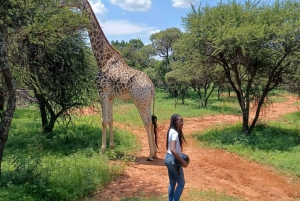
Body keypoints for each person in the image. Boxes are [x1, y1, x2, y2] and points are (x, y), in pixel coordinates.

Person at [164, 114, 188, 201]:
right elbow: (173, 149)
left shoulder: (171, 130)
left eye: (183, 121)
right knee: (181, 183)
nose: (182, 123)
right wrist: (182, 162)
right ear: (175, 122)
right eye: (180, 121)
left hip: (167, 158)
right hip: (173, 160)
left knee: (172, 182)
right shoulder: (175, 133)